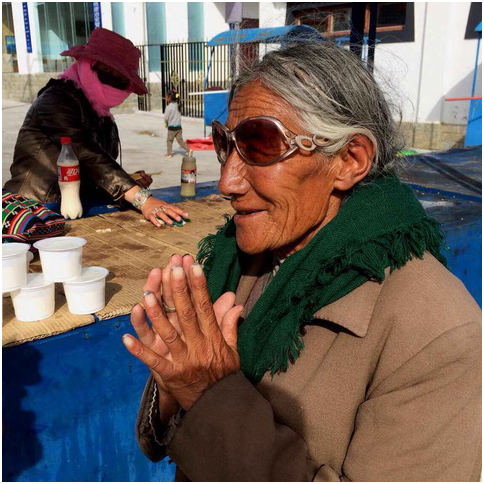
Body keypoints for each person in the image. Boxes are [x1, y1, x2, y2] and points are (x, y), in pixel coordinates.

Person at [122, 42, 481, 481]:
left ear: (349, 160)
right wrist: (173, 381)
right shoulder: (237, 263)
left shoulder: (438, 337)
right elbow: (158, 440)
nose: (228, 181)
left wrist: (209, 393)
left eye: (260, 143)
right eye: (225, 144)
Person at [4, 28, 188, 228]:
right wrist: (140, 197)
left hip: (77, 212)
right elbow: (86, 153)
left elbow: (95, 171)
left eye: (120, 79)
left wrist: (128, 183)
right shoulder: (56, 100)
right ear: (87, 64)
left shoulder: (101, 114)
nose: (113, 81)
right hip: (32, 211)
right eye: (106, 72)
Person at [163, 91, 189, 158]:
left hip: (171, 128)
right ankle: (189, 150)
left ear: (169, 98)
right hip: (179, 127)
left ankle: (169, 154)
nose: (166, 98)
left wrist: (166, 123)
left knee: (169, 141)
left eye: (167, 97)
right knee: (180, 141)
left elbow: (166, 118)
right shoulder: (178, 106)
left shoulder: (168, 107)